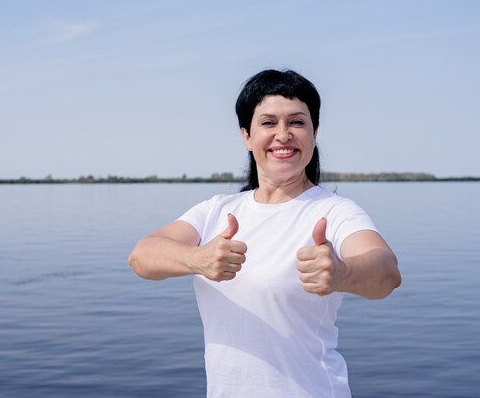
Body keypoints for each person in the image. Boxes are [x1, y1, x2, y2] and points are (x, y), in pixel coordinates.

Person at [128, 69, 402, 397]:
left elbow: (387, 273)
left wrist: (343, 273)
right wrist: (196, 259)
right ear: (246, 135)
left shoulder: (334, 212)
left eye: (297, 122)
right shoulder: (217, 209)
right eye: (268, 123)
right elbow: (142, 256)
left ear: (314, 132)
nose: (283, 134)